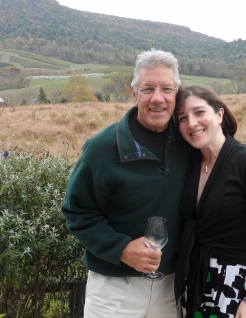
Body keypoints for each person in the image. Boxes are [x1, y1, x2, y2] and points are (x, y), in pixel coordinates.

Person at [62, 49, 193, 318]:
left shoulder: (190, 143)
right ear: (134, 93)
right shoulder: (102, 148)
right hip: (114, 291)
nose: (158, 98)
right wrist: (121, 249)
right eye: (148, 89)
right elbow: (77, 212)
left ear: (177, 93)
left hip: (172, 289)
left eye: (166, 88)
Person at [173, 85, 246, 318]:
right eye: (183, 117)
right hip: (194, 280)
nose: (192, 123)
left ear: (220, 114)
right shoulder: (190, 164)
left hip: (233, 287)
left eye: (199, 112)